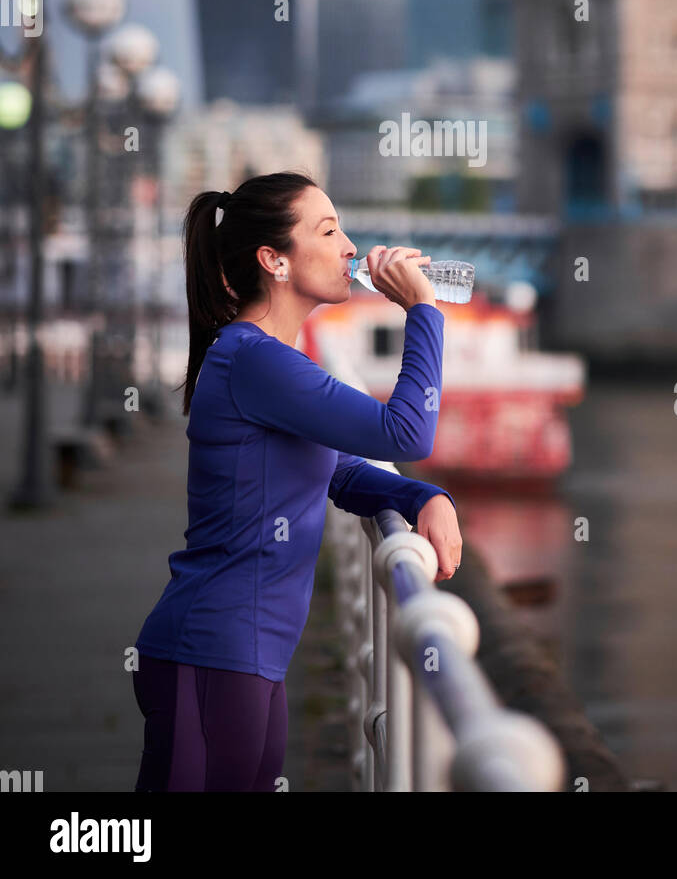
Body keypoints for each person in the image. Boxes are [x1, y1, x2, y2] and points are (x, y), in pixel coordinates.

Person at [132, 170, 462, 792]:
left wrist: (424, 494)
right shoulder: (254, 358)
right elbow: (408, 434)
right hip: (213, 651)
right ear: (273, 260)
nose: (349, 247)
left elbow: (334, 470)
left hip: (250, 656)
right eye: (329, 229)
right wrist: (423, 309)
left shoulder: (267, 359)